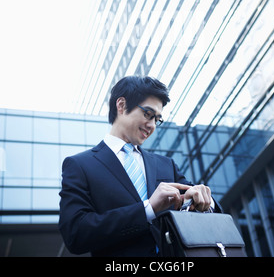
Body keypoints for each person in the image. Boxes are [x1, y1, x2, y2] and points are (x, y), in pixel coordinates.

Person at [59, 76, 222, 257]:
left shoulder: (166, 165)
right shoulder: (81, 165)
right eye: (147, 114)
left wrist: (205, 200)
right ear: (121, 105)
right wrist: (148, 209)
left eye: (157, 119)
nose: (152, 125)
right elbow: (76, 234)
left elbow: (210, 211)